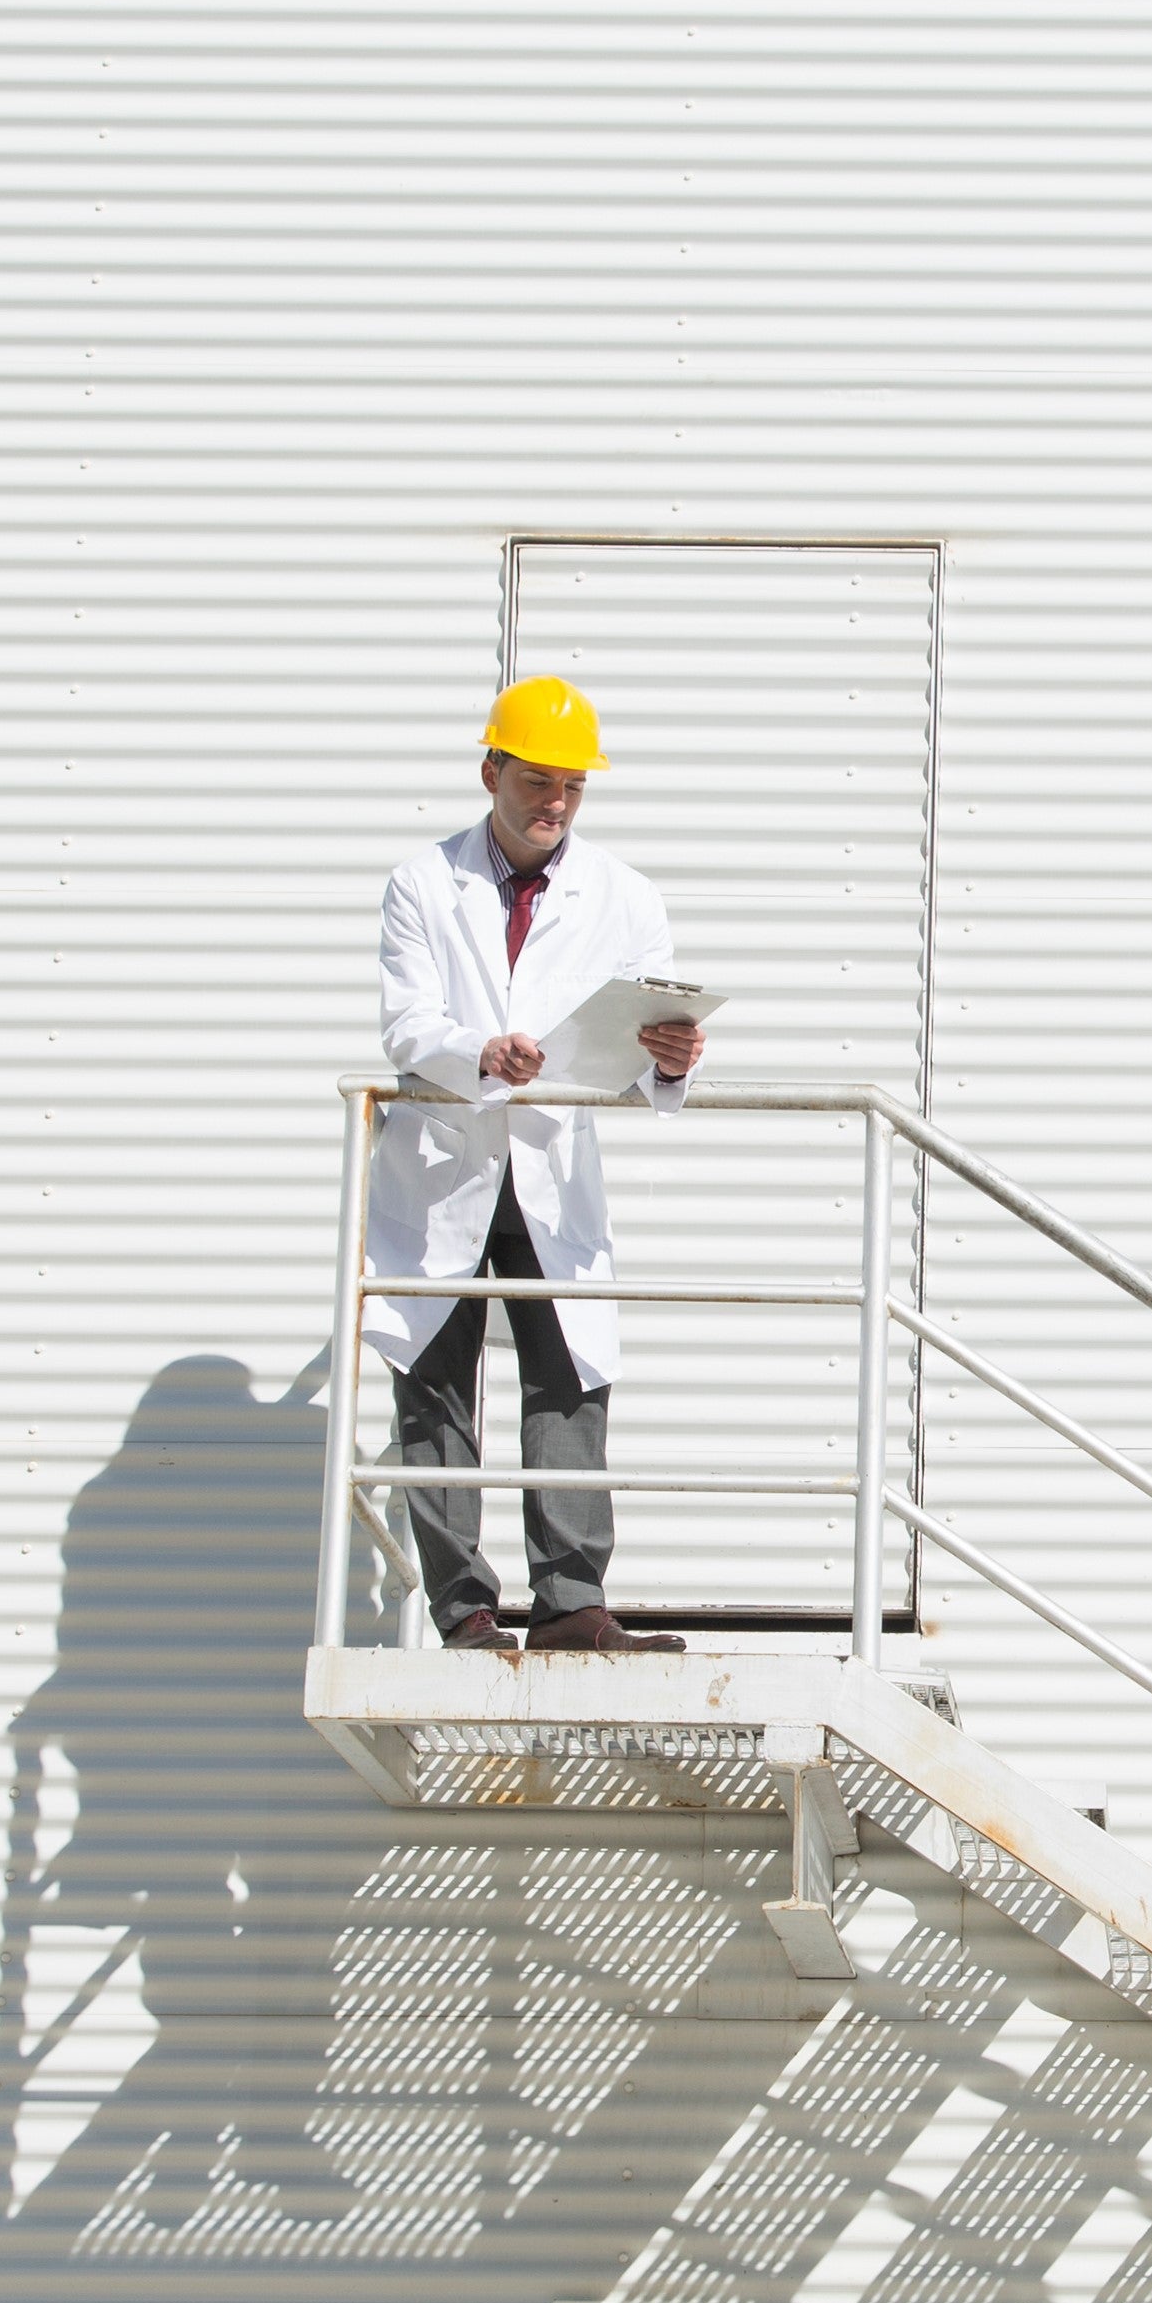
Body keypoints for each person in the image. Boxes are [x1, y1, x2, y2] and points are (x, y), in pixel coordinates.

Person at [365, 675, 708, 1656]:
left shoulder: (625, 897)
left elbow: (639, 1044)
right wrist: (479, 1051)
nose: (552, 804)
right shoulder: (422, 885)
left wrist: (668, 1060)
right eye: (534, 782)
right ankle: (465, 1611)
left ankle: (569, 1601)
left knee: (569, 1373)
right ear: (490, 771)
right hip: (445, 1161)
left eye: (570, 787)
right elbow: (406, 1022)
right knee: (435, 1376)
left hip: (551, 1161)